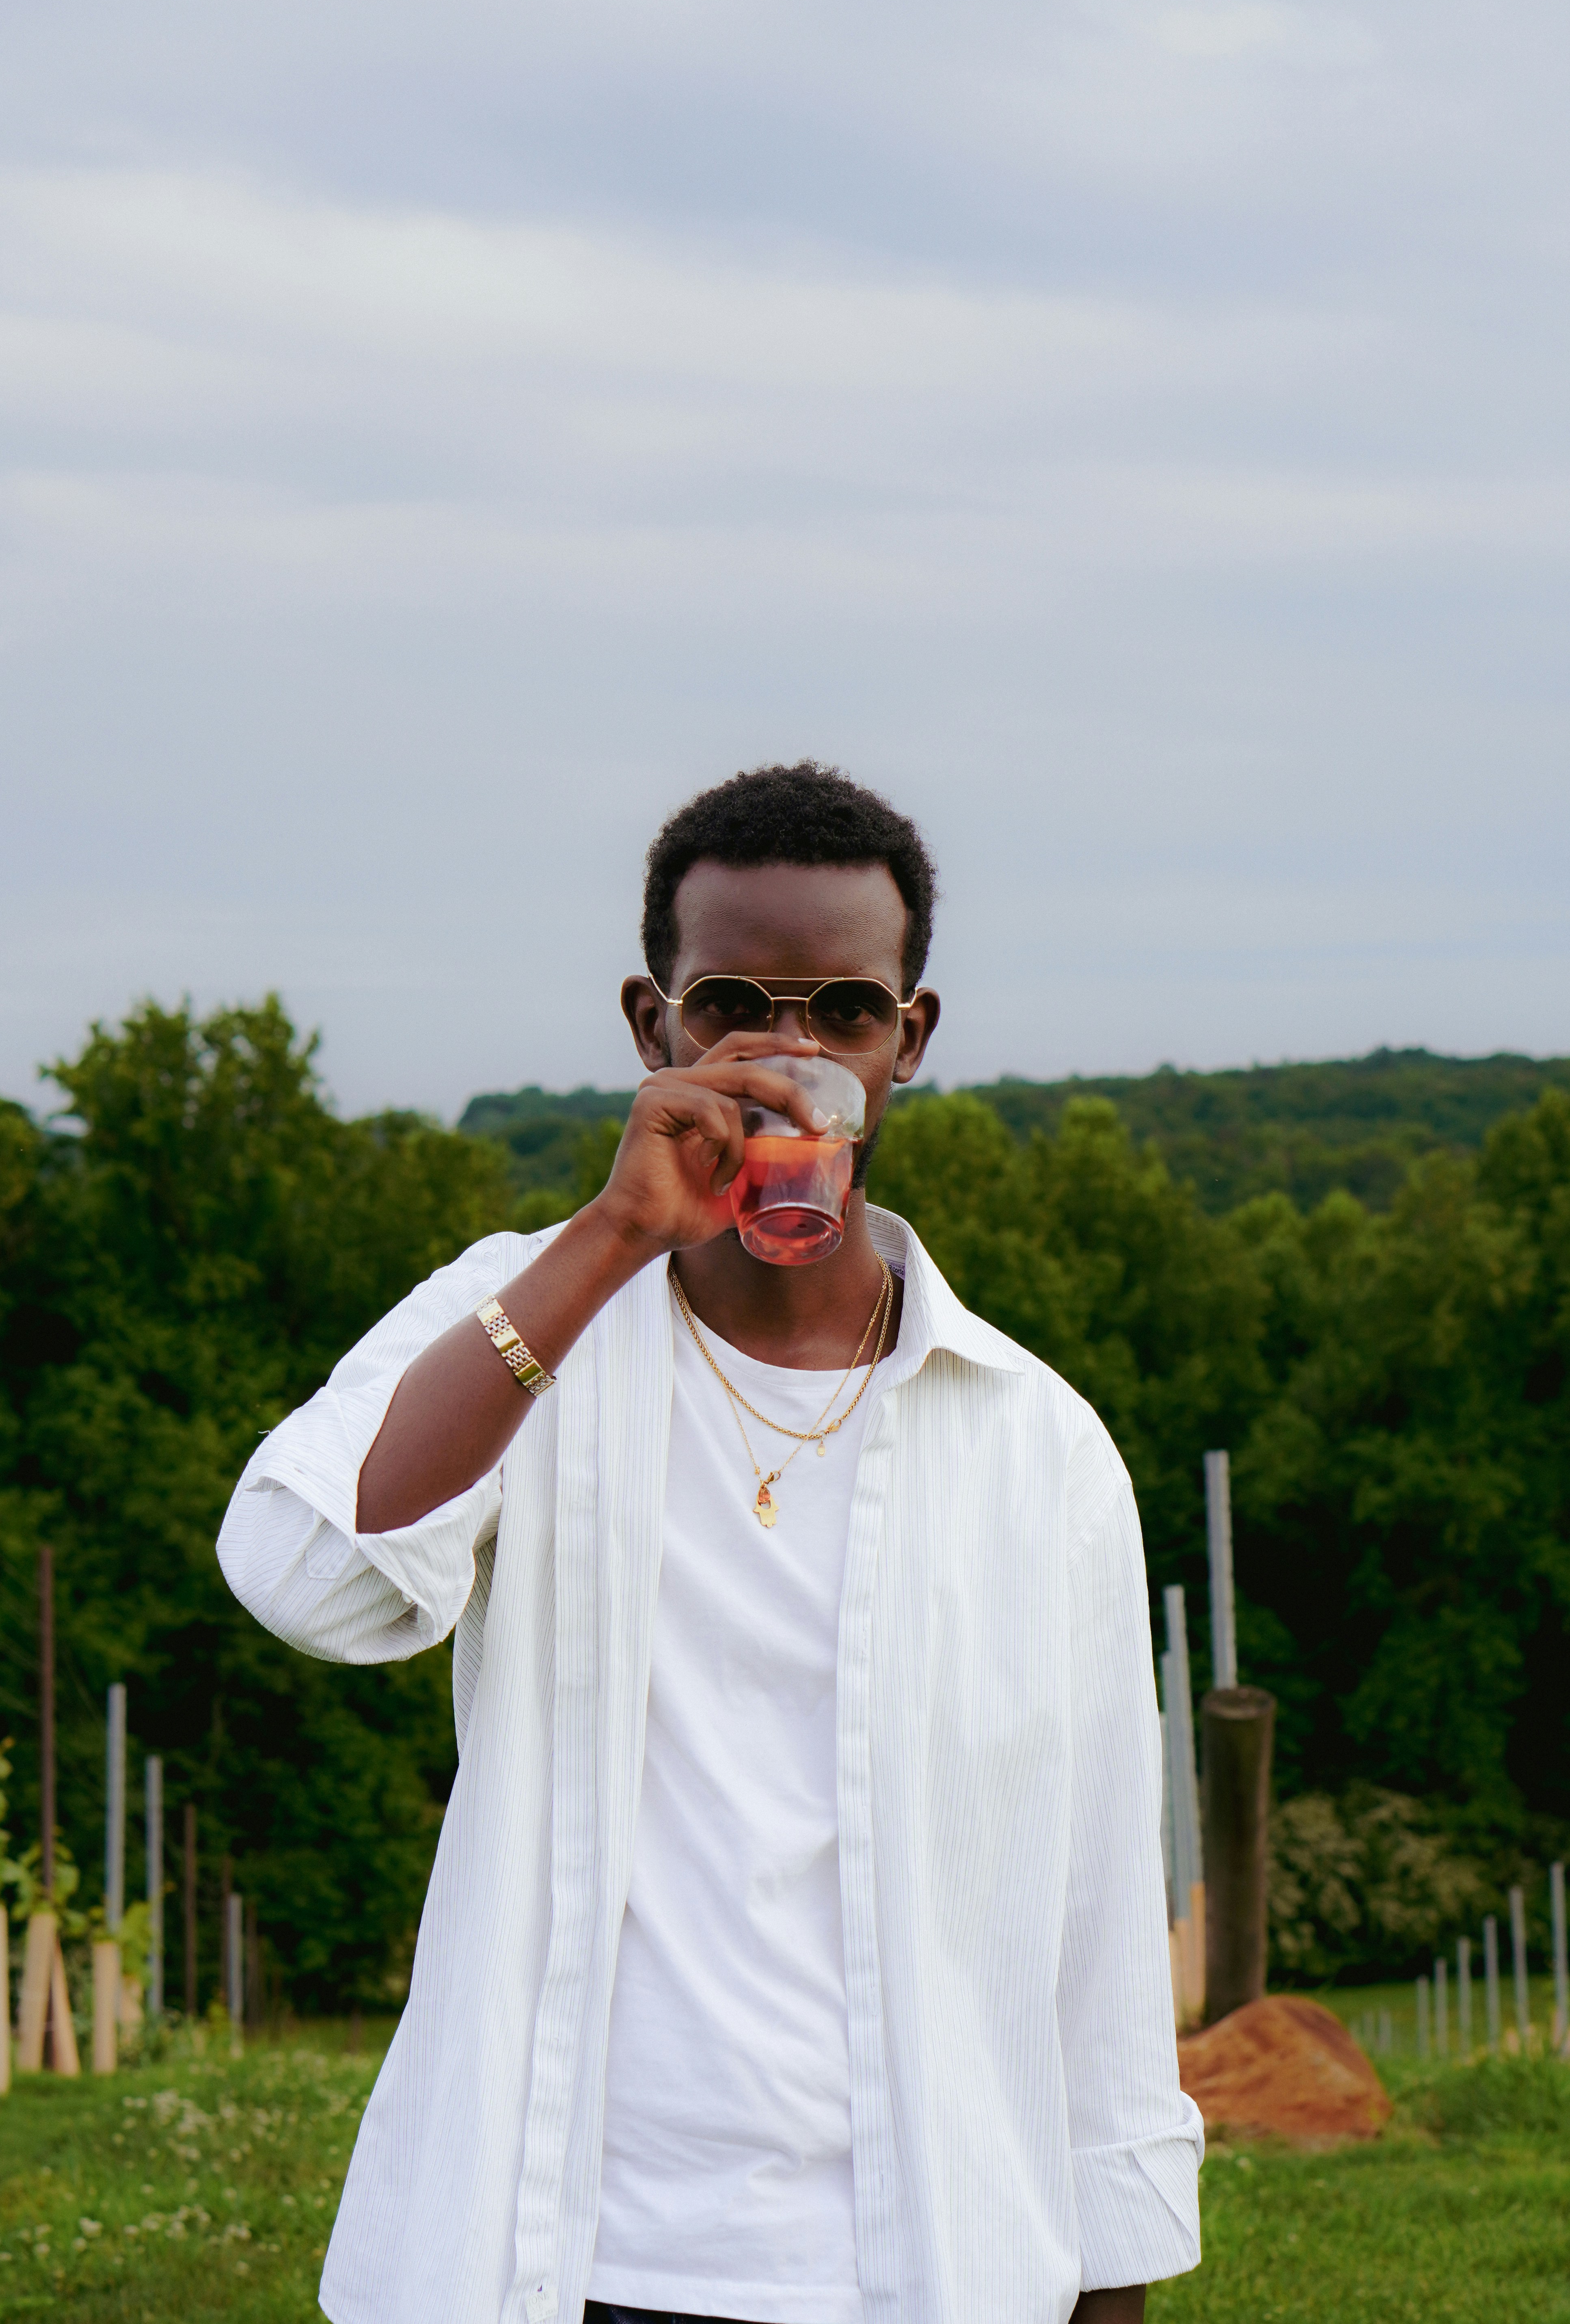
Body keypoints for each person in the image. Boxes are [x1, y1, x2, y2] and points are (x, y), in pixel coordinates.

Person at [218, 759, 1202, 2324]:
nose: (787, 1054)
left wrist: (1112, 2278)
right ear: (649, 1023)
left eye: (845, 1014)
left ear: (910, 1042)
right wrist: (605, 1241)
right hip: (562, 2256)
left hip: (924, 2264)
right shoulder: (524, 1307)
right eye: (732, 1003)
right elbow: (315, 1579)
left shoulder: (1036, 1443)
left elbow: (1087, 1913)